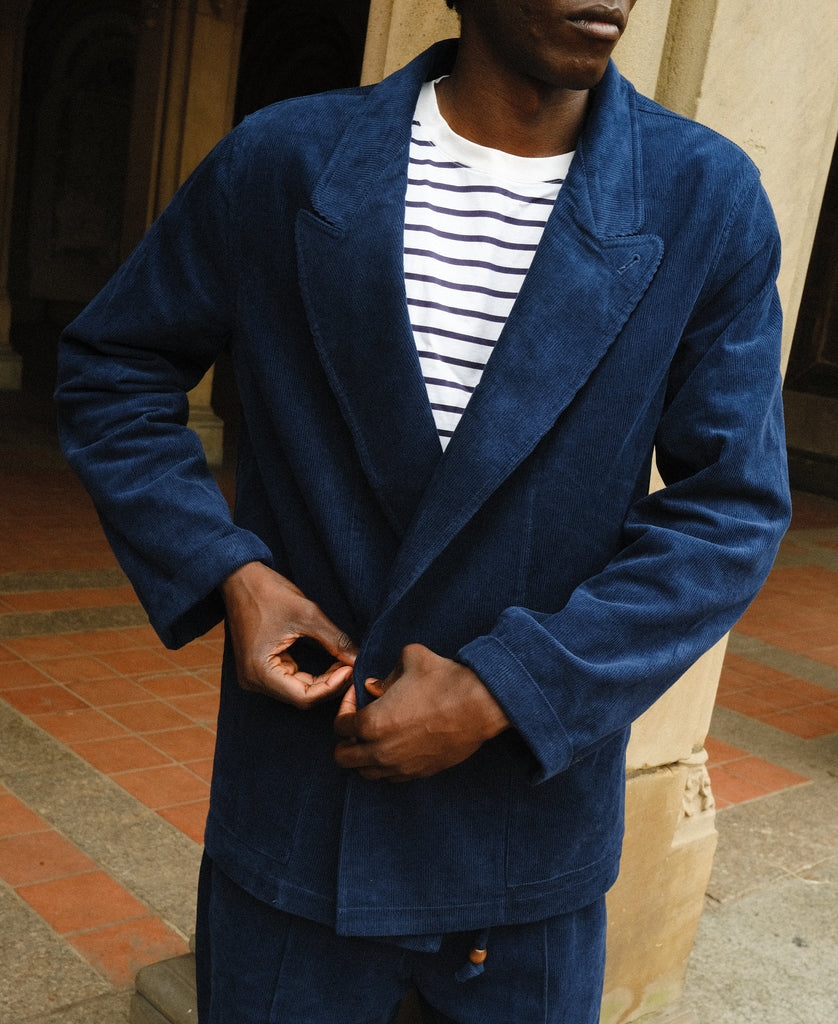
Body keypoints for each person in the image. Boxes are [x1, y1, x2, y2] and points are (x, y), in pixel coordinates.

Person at [55, 1, 791, 1021]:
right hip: (302, 825)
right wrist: (231, 568)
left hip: (521, 853)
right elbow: (112, 367)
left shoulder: (702, 198)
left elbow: (730, 509)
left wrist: (508, 688)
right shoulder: (282, 162)